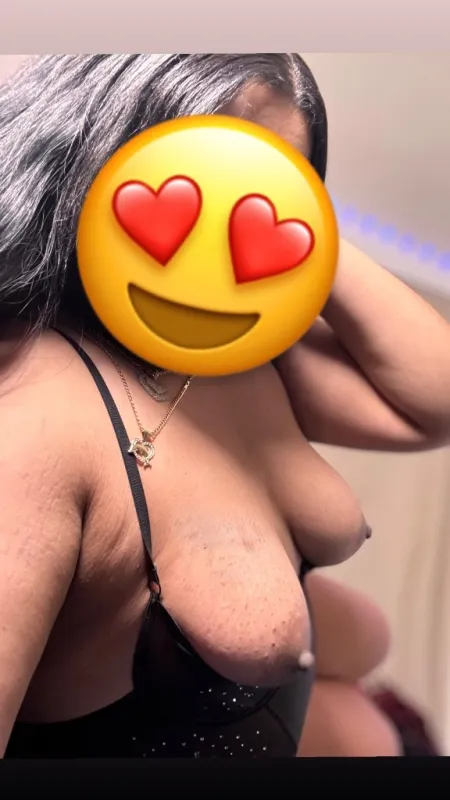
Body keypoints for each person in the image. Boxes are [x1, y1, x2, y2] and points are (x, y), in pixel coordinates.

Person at [0, 54, 449, 759]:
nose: (222, 228)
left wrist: (303, 223)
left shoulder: (240, 361)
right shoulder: (38, 403)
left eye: (265, 183)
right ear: (95, 144)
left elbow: (434, 402)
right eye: (201, 168)